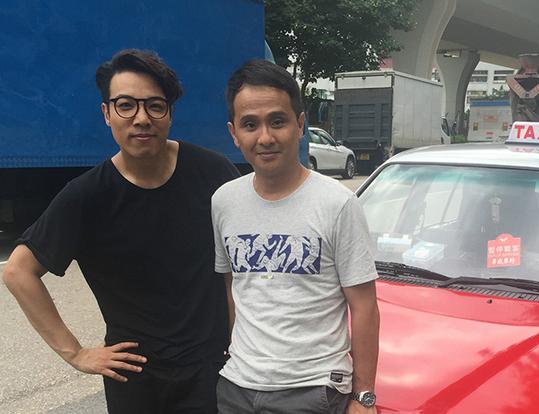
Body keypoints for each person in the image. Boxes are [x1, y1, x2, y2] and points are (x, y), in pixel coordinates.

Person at [2, 49, 240, 413]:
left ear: (170, 114)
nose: (141, 118)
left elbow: (244, 265)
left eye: (155, 106)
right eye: (126, 105)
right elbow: (18, 271)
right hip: (135, 380)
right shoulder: (88, 196)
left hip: (213, 372)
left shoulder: (213, 172)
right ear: (107, 114)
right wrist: (76, 353)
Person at [212, 59, 380, 414]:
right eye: (250, 124)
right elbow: (232, 287)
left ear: (300, 124)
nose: (265, 138)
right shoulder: (224, 201)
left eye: (278, 121)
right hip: (236, 388)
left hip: (312, 391)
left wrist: (363, 396)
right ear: (234, 133)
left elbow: (364, 305)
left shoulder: (337, 203)